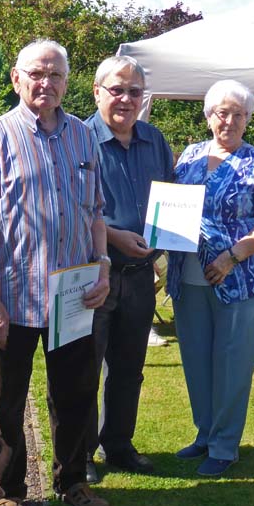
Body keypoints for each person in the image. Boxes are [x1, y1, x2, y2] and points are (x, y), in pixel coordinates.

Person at [0, 39, 112, 506]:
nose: (46, 83)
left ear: (67, 81)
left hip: (73, 297)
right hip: (13, 298)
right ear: (16, 78)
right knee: (5, 401)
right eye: (37, 74)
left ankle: (73, 481)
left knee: (76, 395)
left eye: (55, 75)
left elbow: (95, 213)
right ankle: (9, 493)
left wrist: (103, 265)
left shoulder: (84, 137)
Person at [167, 79, 254, 477]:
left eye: (239, 114)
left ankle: (224, 445)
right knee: (196, 360)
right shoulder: (189, 156)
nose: (230, 121)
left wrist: (233, 256)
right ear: (208, 116)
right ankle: (205, 434)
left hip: (242, 279)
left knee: (233, 365)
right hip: (189, 276)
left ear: (248, 119)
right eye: (222, 113)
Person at [83, 55, 174, 484]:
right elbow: (71, 207)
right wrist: (116, 236)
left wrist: (165, 239)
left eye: (134, 91)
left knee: (128, 368)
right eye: (116, 89)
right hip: (90, 274)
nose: (125, 98)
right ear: (97, 92)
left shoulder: (155, 140)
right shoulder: (77, 139)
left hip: (139, 275)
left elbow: (170, 196)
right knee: (82, 369)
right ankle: (80, 452)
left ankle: (118, 444)